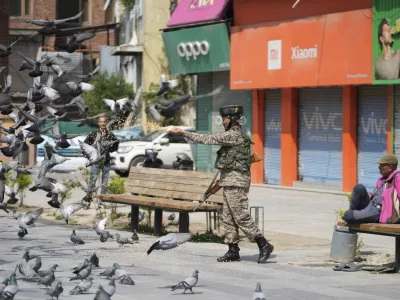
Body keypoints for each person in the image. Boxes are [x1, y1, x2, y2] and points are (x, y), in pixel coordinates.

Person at [169, 105, 274, 264]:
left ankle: (263, 244)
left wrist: (183, 132)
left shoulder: (234, 135)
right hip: (229, 179)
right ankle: (233, 250)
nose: (222, 121)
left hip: (236, 181)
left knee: (240, 215)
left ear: (231, 120)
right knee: (228, 217)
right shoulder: (234, 134)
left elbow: (207, 139)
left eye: (224, 119)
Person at [342, 154, 400, 224]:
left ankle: (352, 216)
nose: (379, 167)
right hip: (370, 205)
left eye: (382, 165)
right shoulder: (381, 180)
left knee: (348, 215)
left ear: (390, 167)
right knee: (359, 188)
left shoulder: (397, 177)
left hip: (378, 211)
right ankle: (353, 215)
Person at [84, 116, 119, 207]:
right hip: (95, 162)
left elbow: (114, 148)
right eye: (101, 122)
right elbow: (84, 146)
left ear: (106, 122)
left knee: (104, 183)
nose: (102, 123)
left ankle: (101, 202)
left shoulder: (110, 135)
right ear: (98, 123)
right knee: (92, 181)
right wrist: (89, 158)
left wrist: (115, 143)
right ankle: (88, 200)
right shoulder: (93, 134)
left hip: (106, 161)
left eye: (104, 122)